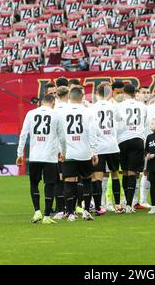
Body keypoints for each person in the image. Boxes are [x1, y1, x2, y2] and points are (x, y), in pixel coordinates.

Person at [16, 94, 62, 224]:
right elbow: (62, 136)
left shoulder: (31, 113)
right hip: (50, 157)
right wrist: (62, 152)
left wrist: (20, 154)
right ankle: (47, 215)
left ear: (42, 102)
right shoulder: (56, 114)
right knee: (50, 184)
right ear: (53, 103)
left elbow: (23, 135)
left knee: (34, 183)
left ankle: (37, 212)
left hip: (35, 156)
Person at [58, 87, 99, 221]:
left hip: (68, 152)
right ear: (82, 96)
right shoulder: (88, 112)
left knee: (69, 182)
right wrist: (94, 151)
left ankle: (70, 213)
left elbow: (60, 134)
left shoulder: (62, 112)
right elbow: (92, 133)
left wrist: (61, 151)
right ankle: (86, 210)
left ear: (69, 96)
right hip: (84, 152)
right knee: (87, 180)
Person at [115, 83, 147, 213]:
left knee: (125, 171)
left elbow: (117, 123)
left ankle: (125, 201)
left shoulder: (119, 106)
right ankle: (129, 204)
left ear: (124, 92)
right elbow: (144, 122)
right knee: (134, 172)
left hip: (123, 139)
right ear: (135, 93)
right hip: (138, 139)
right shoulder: (143, 106)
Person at [91, 83, 122, 214]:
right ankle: (119, 205)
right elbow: (120, 122)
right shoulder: (114, 106)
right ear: (109, 93)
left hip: (99, 146)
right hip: (112, 145)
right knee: (114, 174)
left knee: (98, 176)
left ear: (97, 93)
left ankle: (99, 206)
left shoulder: (92, 108)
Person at [52, 86, 70, 220]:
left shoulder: (53, 110)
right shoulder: (72, 107)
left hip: (57, 150)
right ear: (68, 94)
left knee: (59, 179)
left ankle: (59, 209)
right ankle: (71, 209)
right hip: (72, 149)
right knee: (72, 179)